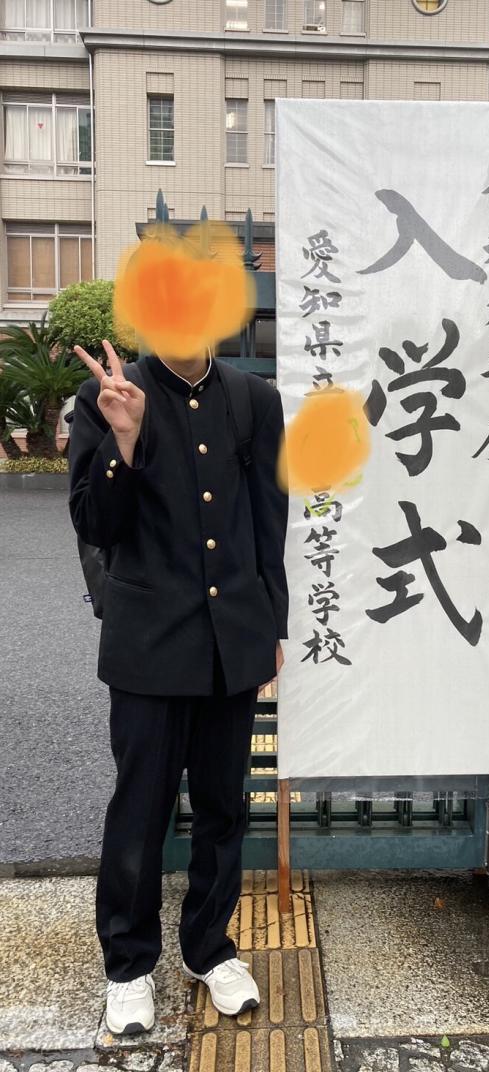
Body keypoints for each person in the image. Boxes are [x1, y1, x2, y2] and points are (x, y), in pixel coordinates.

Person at [68, 339, 288, 1036]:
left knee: (223, 806)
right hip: (148, 646)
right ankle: (128, 963)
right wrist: (123, 443)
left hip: (231, 641)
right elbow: (94, 524)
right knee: (141, 807)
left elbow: (269, 522)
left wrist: (271, 626)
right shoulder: (108, 394)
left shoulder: (255, 401)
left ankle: (208, 948)